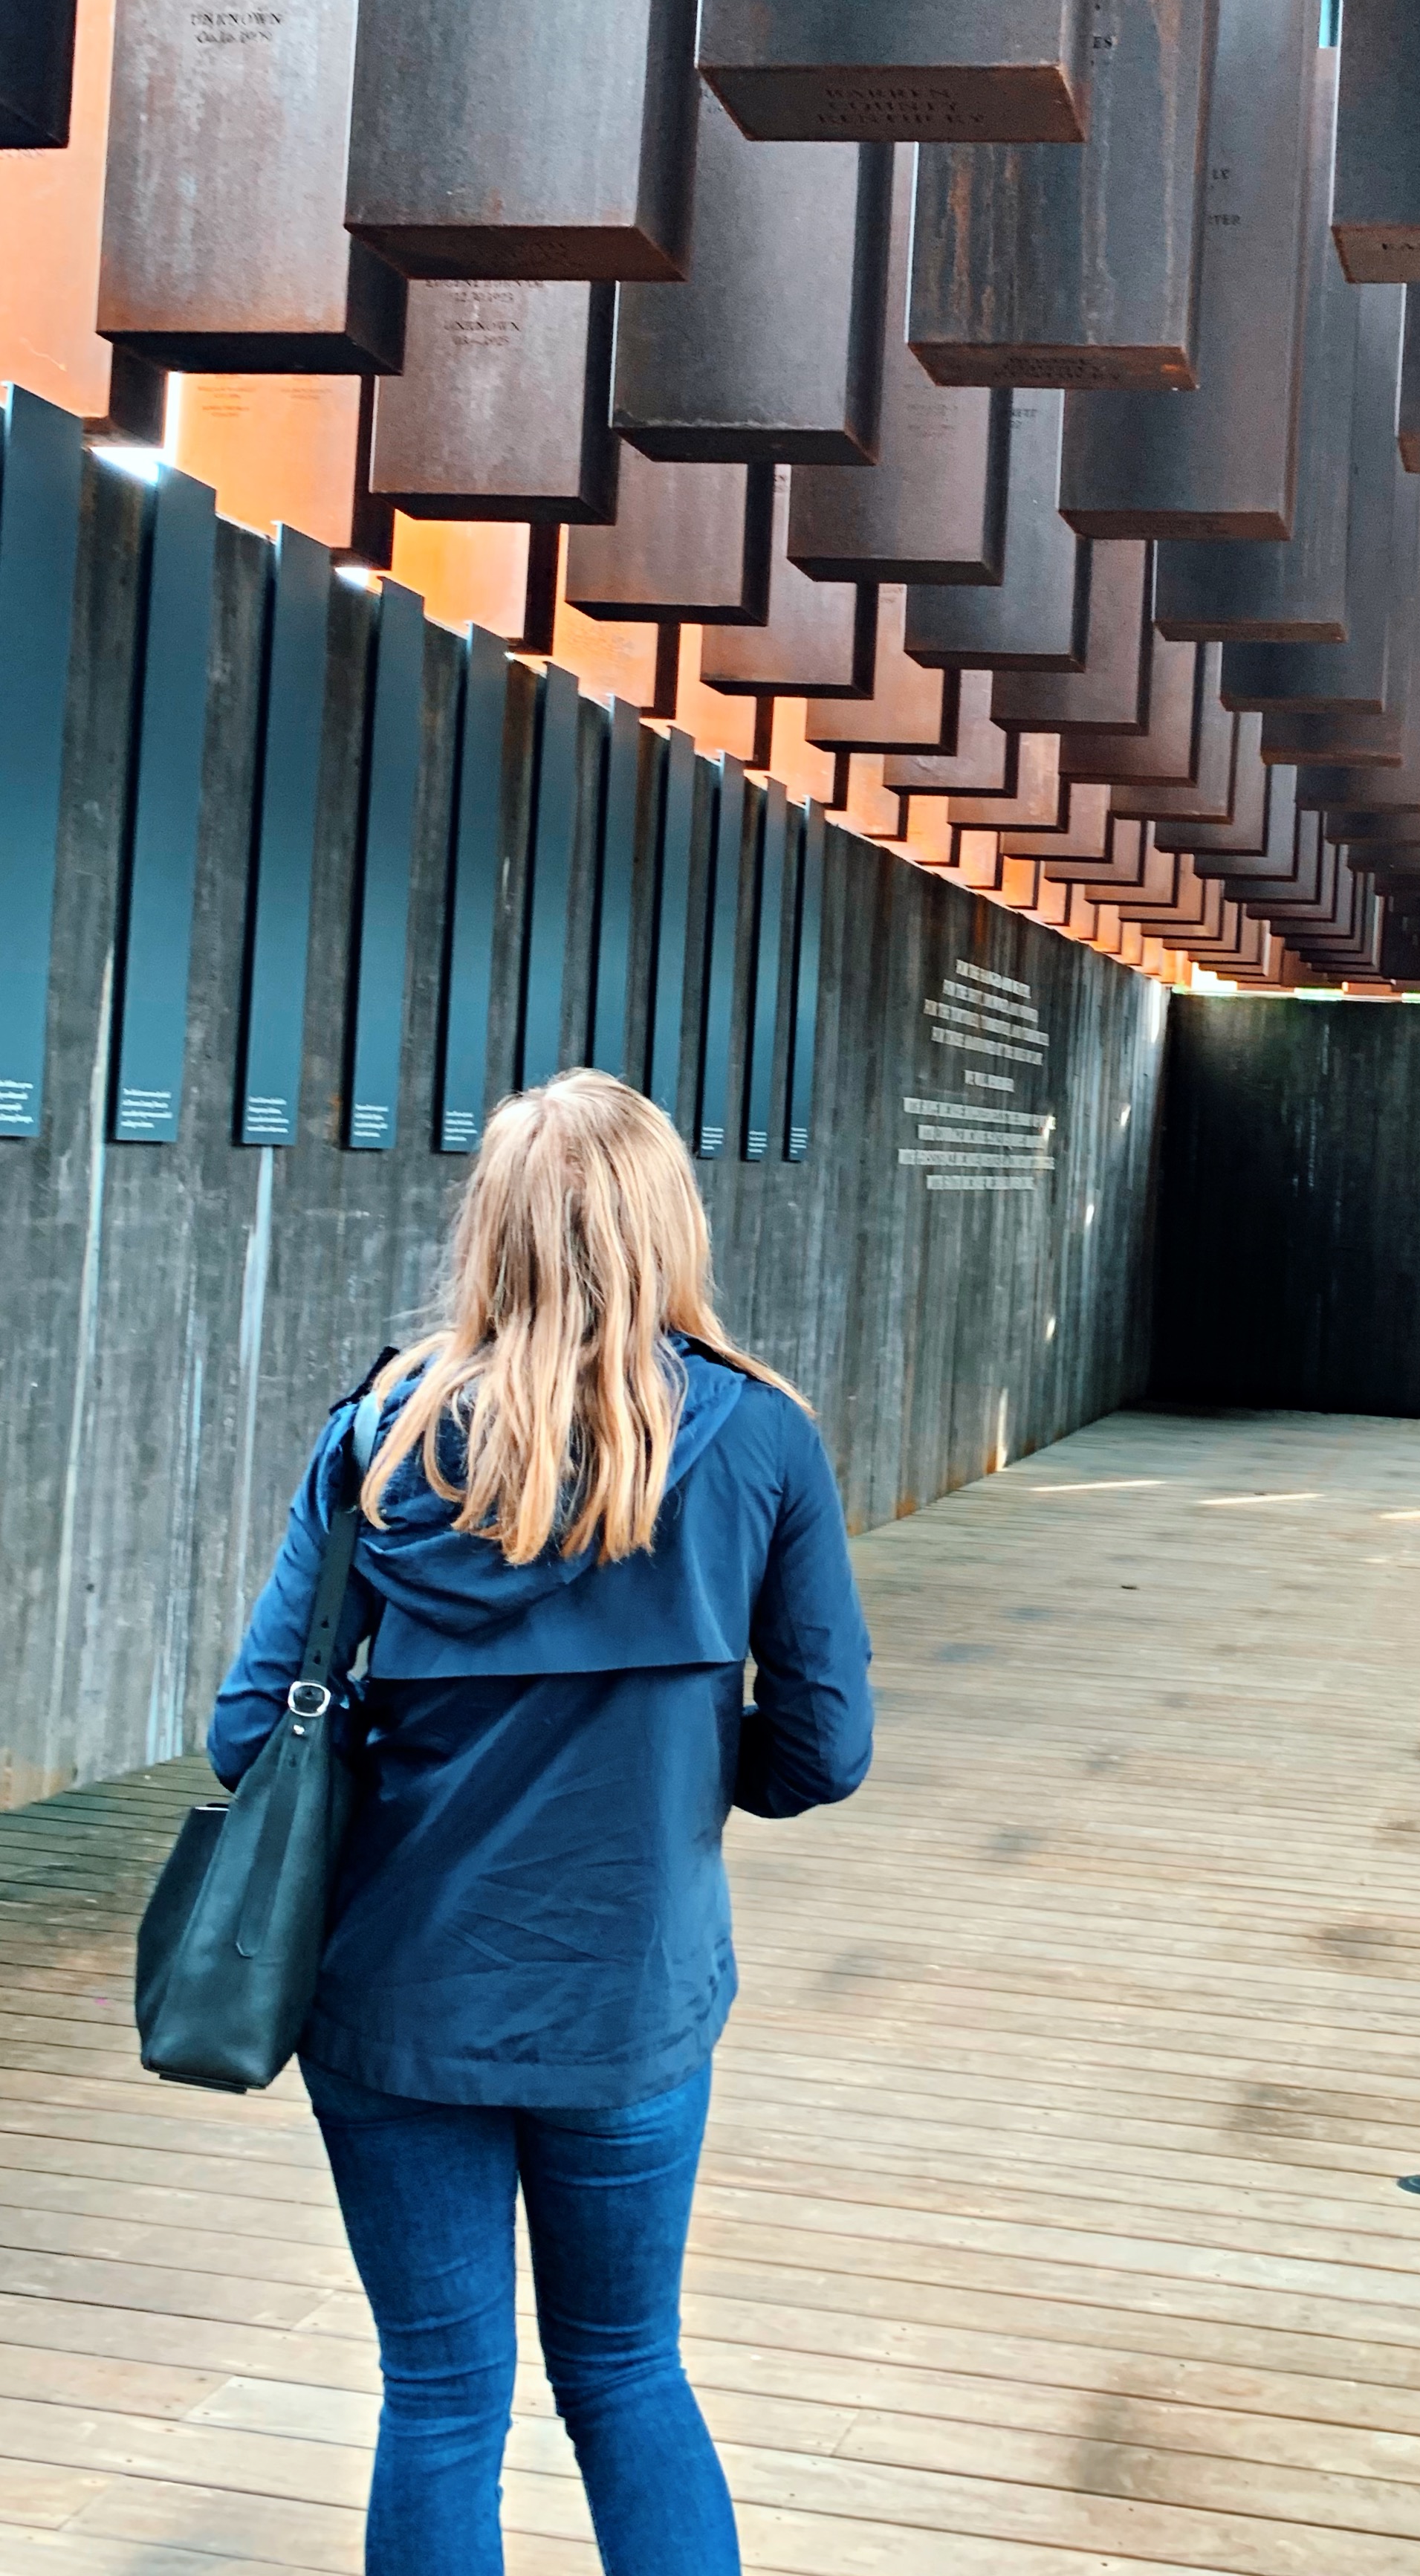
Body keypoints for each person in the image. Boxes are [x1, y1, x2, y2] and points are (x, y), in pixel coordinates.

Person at [210, 1069, 874, 2576]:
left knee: (440, 2398)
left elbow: (252, 1737)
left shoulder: (377, 1439)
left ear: (489, 1230)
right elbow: (825, 1749)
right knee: (628, 2376)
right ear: (668, 1225)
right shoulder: (761, 1439)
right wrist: (685, 1762)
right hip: (628, 2001)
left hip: (392, 2005)